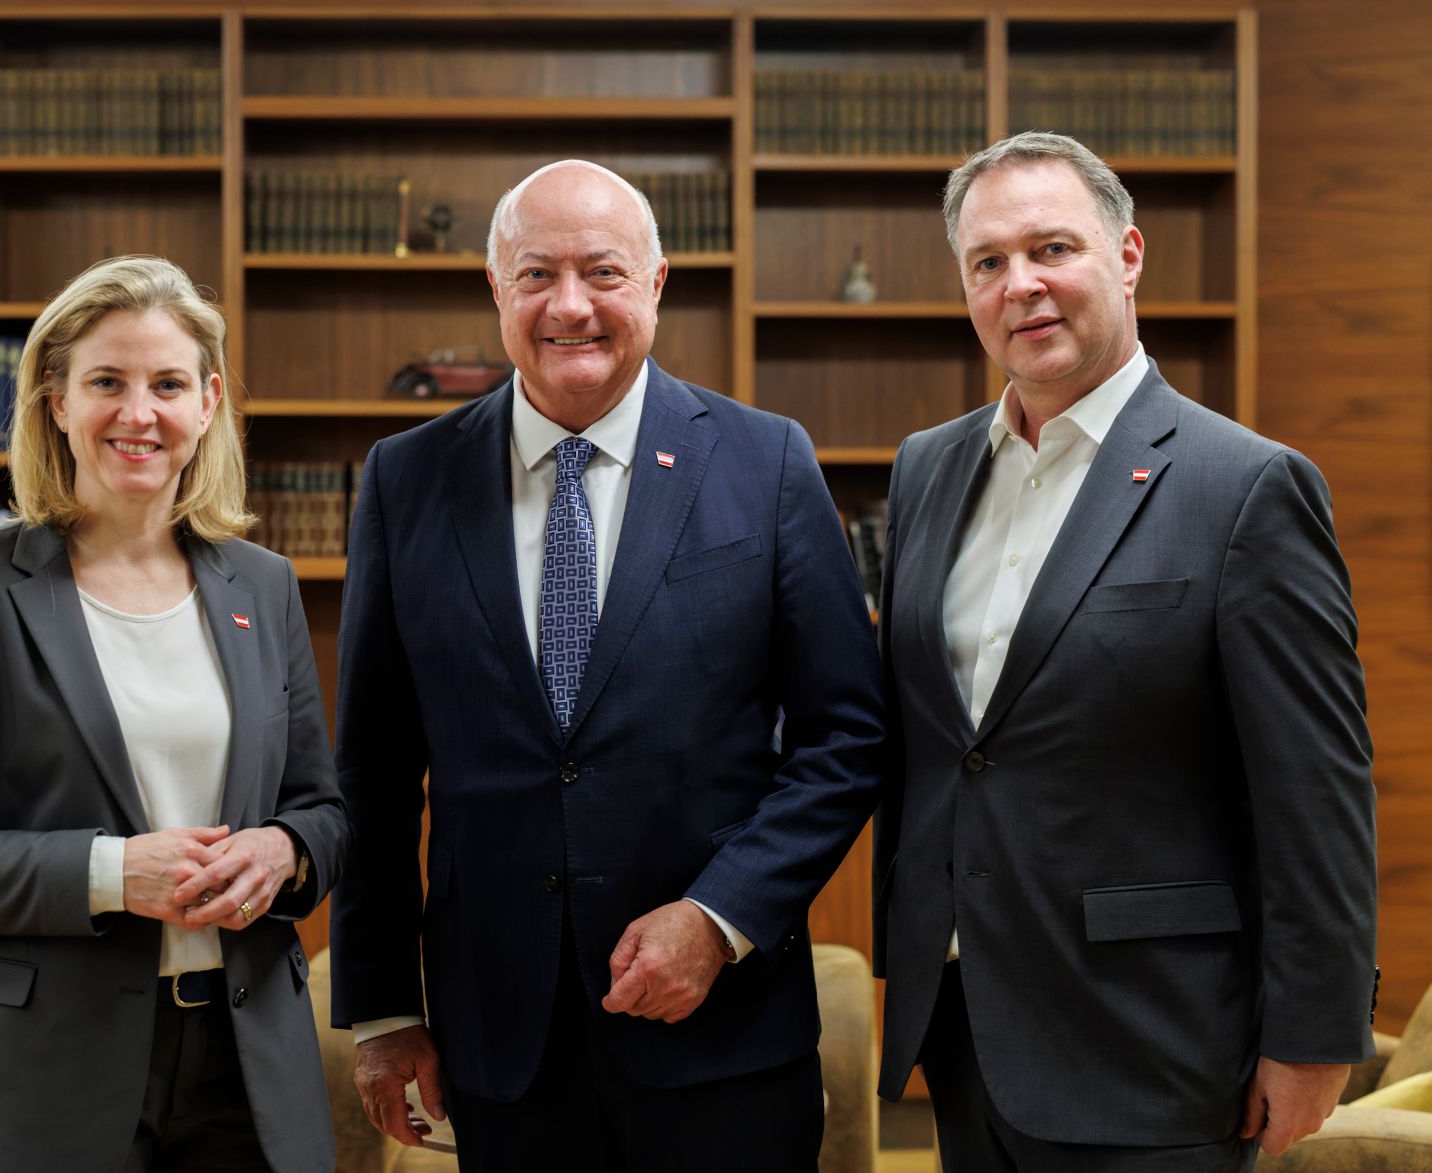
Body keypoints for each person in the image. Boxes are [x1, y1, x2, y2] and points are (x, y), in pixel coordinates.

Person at [327, 159, 887, 1172]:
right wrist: (379, 1008)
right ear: (495, 291)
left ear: (657, 283)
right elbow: (370, 767)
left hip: (722, 1037)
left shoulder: (766, 463)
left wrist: (719, 921)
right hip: (500, 1047)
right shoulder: (405, 480)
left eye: (603, 273)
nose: (569, 305)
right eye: (536, 274)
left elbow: (845, 736)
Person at [873, 131, 1378, 1171]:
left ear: (1128, 255)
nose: (1021, 285)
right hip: (965, 1026)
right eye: (987, 262)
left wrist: (1314, 1035)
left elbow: (1315, 792)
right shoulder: (924, 469)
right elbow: (942, 745)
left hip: (1151, 1040)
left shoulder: (1244, 487)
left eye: (1050, 248)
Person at [0, 255, 349, 1173]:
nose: (138, 413)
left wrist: (286, 851)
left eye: (167, 384)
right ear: (55, 402)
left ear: (208, 402)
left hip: (247, 1068)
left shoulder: (263, 587)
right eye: (106, 382)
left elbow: (322, 806)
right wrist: (113, 872)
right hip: (37, 1079)